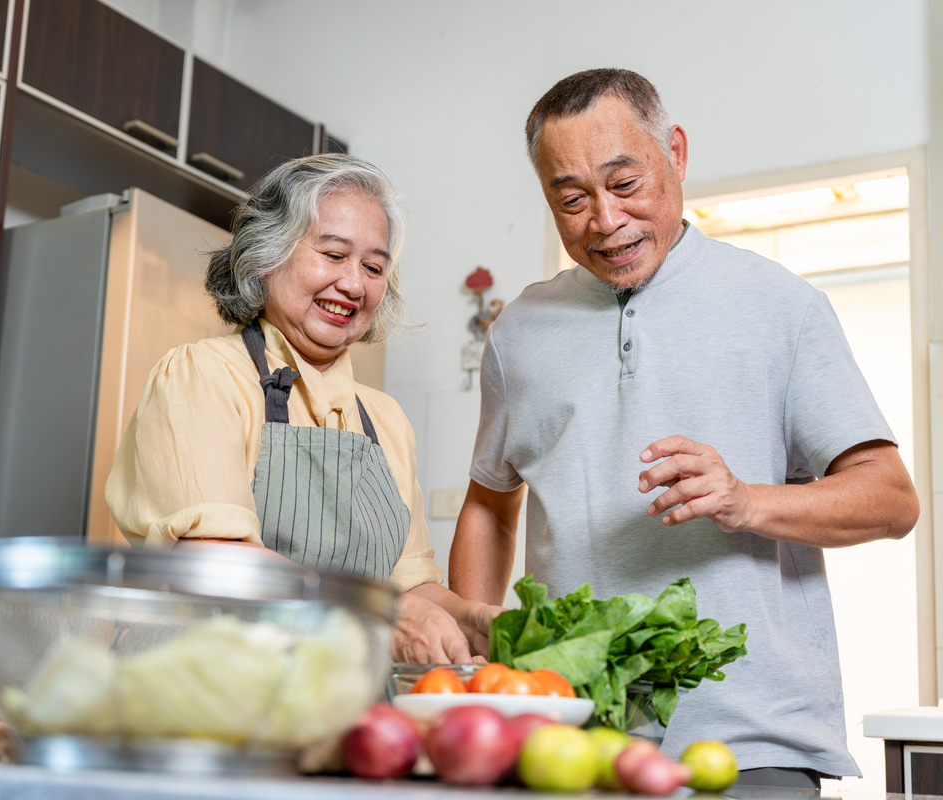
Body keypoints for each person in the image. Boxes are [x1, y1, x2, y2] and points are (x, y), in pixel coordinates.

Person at [450, 68, 919, 787]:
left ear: (676, 152)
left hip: (752, 745)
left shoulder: (780, 306)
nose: (605, 221)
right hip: (569, 736)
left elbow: (891, 500)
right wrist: (479, 668)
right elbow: (490, 501)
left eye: (625, 184)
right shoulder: (518, 332)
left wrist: (745, 500)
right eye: (571, 199)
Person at [105, 153, 500, 663]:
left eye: (374, 267)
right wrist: (378, 615)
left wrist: (478, 620)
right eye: (334, 255)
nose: (355, 284)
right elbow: (215, 558)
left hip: (333, 707)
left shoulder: (384, 421)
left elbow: (410, 586)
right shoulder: (202, 375)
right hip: (201, 695)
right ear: (267, 255)